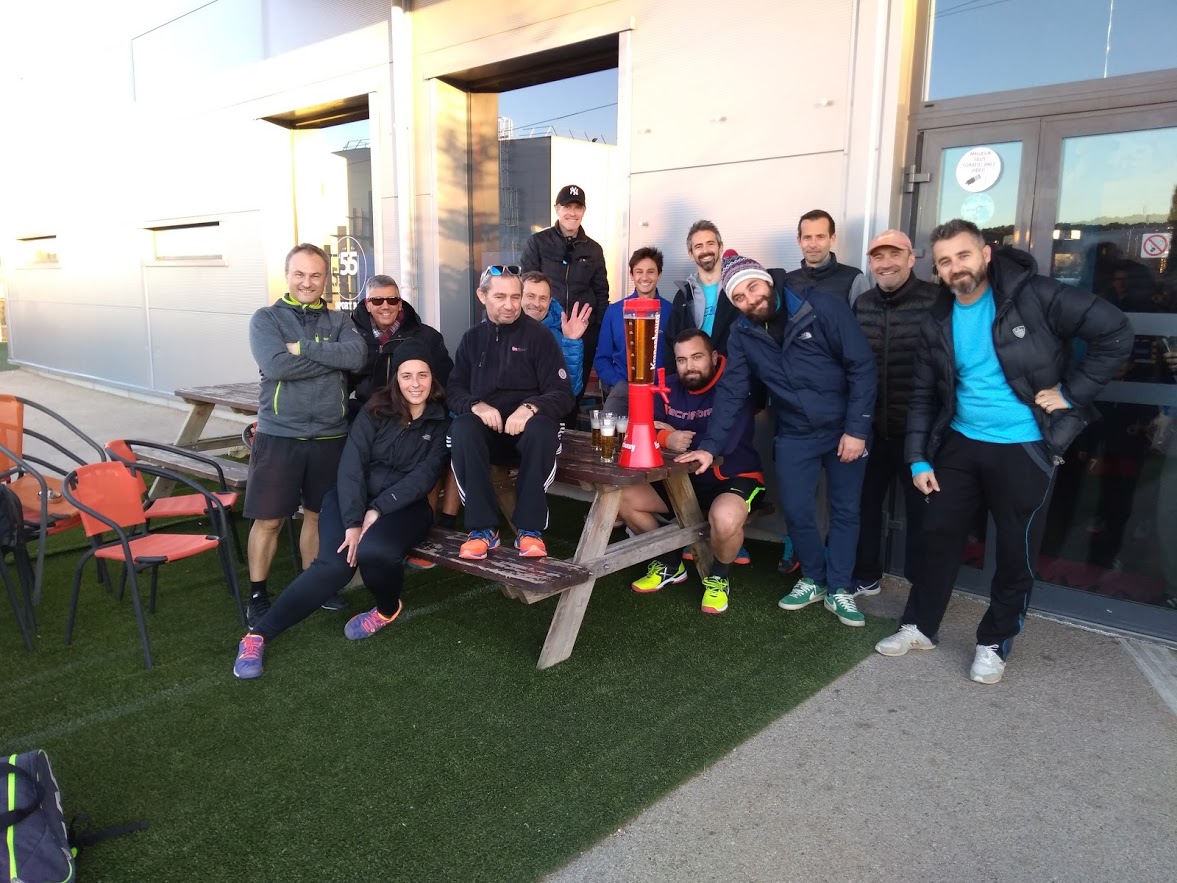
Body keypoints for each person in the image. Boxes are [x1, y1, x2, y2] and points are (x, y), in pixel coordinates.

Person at [875, 218, 1132, 684]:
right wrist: (918, 457)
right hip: (960, 443)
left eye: (963, 255)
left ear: (986, 254)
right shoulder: (937, 317)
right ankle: (920, 627)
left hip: (1024, 446)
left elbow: (1115, 331)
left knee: (1016, 553)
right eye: (945, 261)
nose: (956, 267)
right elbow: (923, 395)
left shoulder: (1035, 295)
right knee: (937, 536)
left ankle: (994, 642)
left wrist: (1071, 393)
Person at [678, 252, 877, 629]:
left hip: (844, 428)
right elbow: (731, 392)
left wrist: (857, 429)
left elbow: (862, 367)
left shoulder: (821, 307)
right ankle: (814, 578)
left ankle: (839, 587)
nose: (750, 300)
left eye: (753, 288)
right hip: (795, 431)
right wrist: (710, 446)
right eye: (739, 297)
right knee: (797, 510)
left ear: (767, 281)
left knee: (845, 510)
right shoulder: (742, 332)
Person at [232, 339, 451, 679]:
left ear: (432, 378)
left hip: (404, 507)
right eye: (407, 375)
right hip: (350, 498)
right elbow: (351, 467)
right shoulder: (375, 410)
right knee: (334, 567)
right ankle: (257, 636)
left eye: (423, 375)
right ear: (396, 379)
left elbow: (423, 478)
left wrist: (377, 510)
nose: (415, 384)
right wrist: (353, 520)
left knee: (375, 551)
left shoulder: (441, 421)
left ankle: (386, 609)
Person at [245, 243, 367, 626]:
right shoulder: (266, 319)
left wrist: (303, 349)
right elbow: (276, 367)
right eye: (299, 274)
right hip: (280, 434)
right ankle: (257, 594)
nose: (307, 282)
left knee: (316, 516)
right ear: (287, 275)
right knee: (269, 520)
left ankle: (312, 586)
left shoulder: (340, 319)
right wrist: (330, 358)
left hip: (330, 436)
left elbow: (357, 357)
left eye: (315, 275)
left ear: (326, 278)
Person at [620, 329, 765, 614]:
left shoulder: (733, 385)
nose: (690, 366)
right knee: (623, 498)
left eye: (697, 357)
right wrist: (667, 438)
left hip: (732, 478)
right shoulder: (669, 386)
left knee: (724, 519)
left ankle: (718, 576)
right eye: (682, 360)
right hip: (680, 482)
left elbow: (725, 443)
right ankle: (669, 562)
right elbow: (641, 427)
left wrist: (679, 436)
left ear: (714, 357)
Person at [447, 266, 575, 559]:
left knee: (543, 428)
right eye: (500, 297)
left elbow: (562, 393)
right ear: (482, 296)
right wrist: (476, 405)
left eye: (515, 297)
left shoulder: (539, 336)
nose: (509, 305)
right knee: (462, 428)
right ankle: (482, 530)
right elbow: (453, 391)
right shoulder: (471, 339)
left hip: (528, 433)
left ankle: (530, 531)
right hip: (488, 432)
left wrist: (530, 407)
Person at [848, 230, 939, 596]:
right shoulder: (863, 303)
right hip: (871, 429)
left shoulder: (937, 300)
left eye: (894, 255)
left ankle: (924, 590)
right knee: (864, 505)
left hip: (920, 431)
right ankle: (866, 575)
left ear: (911, 259)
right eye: (877, 257)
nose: (885, 264)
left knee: (924, 512)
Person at [520, 184, 609, 417]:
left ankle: (567, 428)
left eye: (578, 207)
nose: (572, 212)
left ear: (584, 211)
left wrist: (597, 331)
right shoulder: (538, 242)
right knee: (539, 382)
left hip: (583, 331)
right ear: (557, 209)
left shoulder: (594, 250)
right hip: (547, 329)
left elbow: (602, 292)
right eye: (567, 207)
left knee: (574, 388)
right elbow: (526, 286)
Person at [348, 274, 453, 416]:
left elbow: (445, 384)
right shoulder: (353, 337)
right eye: (377, 301)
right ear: (368, 305)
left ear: (400, 304)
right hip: (368, 416)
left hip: (414, 417)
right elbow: (341, 384)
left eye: (392, 300)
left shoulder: (428, 338)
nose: (385, 306)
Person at [594, 247, 673, 416]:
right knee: (610, 431)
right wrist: (617, 383)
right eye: (639, 272)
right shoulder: (615, 311)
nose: (644, 277)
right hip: (623, 390)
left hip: (659, 394)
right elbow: (602, 359)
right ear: (631, 275)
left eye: (650, 271)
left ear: (659, 275)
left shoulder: (671, 312)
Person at [666, 220, 739, 355]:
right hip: (693, 367)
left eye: (710, 244)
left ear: (720, 247)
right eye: (698, 246)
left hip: (732, 365)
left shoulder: (736, 287)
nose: (705, 251)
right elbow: (671, 341)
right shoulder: (684, 295)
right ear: (691, 254)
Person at [521, 270, 592, 397]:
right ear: (518, 296)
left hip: (545, 406)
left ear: (550, 301)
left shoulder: (558, 336)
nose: (536, 304)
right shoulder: (500, 328)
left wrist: (571, 342)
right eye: (531, 296)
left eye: (543, 298)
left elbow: (571, 390)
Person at [783, 209, 870, 308]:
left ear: (832, 239)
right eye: (807, 237)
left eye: (820, 237)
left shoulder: (855, 279)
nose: (813, 244)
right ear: (799, 241)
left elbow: (865, 317)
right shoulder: (787, 281)